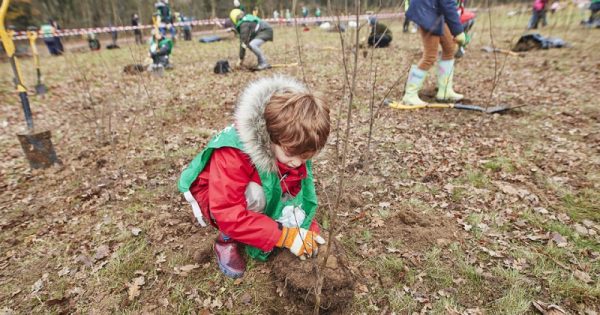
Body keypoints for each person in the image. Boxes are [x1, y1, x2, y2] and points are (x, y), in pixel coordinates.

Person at [178, 76, 331, 278]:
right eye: (292, 155)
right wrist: (284, 236)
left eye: (306, 157)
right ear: (270, 137)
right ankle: (226, 240)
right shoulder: (233, 152)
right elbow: (227, 210)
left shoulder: (292, 143)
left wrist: (305, 227)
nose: (298, 163)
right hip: (215, 196)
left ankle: (262, 224)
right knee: (256, 194)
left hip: (253, 180)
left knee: (274, 186)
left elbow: (298, 188)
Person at [401, 0, 467, 105]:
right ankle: (410, 95)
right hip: (426, 12)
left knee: (449, 48)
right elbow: (447, 3)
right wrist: (458, 31)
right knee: (430, 56)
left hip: (435, 10)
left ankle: (445, 91)